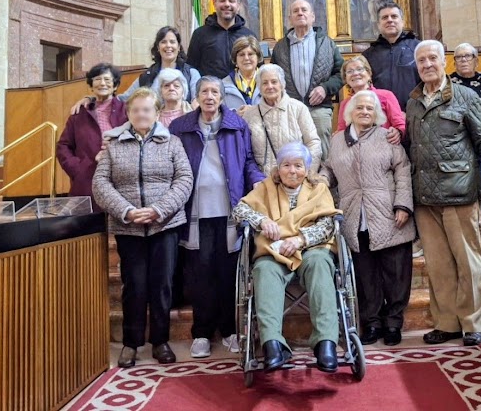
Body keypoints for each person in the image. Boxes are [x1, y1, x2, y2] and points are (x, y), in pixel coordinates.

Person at [406, 40, 481, 347]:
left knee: (469, 261)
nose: (427, 64)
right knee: (438, 266)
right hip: (424, 196)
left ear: (444, 61)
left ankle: (472, 322)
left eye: (432, 59)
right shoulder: (412, 101)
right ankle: (447, 323)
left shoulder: (465, 95)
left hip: (459, 190)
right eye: (421, 60)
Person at [92, 88, 194, 368]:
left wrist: (159, 210)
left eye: (147, 109)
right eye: (136, 110)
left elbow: (184, 179)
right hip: (129, 227)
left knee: (162, 285)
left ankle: (160, 341)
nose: (142, 114)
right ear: (128, 114)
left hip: (165, 224)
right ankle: (131, 343)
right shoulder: (114, 145)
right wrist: (127, 211)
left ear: (157, 113)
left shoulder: (172, 143)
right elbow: (100, 184)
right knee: (134, 285)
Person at [169, 76, 265, 359]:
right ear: (196, 97)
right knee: (201, 275)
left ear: (222, 98)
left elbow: (248, 161)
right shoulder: (180, 127)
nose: (209, 96)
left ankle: (229, 330)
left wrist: (257, 180)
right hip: (195, 212)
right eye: (204, 92)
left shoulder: (238, 125)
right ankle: (201, 333)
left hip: (229, 211)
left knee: (227, 274)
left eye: (215, 92)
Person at [232, 142, 340, 373]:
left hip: (311, 248)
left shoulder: (319, 190)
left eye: (298, 165)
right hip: (274, 250)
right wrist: (261, 220)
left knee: (320, 264)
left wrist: (301, 239)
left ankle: (325, 342)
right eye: (286, 165)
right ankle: (272, 344)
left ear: (307, 169)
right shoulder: (265, 187)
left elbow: (328, 223)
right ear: (278, 168)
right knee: (263, 270)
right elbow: (239, 210)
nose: (292, 170)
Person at [320, 90, 415, 347]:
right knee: (365, 276)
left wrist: (403, 204)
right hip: (354, 214)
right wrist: (320, 179)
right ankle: (371, 323)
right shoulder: (338, 140)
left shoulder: (388, 137)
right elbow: (329, 168)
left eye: (370, 109)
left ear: (377, 114)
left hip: (389, 212)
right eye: (360, 108)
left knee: (395, 273)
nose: (364, 112)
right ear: (350, 112)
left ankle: (393, 323)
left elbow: (403, 171)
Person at [271, 0, 344, 160]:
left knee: (322, 154)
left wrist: (325, 88)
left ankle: (322, 185)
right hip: (289, 110)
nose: (300, 13)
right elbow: (274, 78)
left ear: (312, 16)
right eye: (295, 11)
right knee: (291, 154)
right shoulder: (280, 46)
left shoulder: (327, 43)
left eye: (304, 10)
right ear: (290, 18)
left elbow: (341, 73)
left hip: (318, 109)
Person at [69, 27, 199, 115]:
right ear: (158, 47)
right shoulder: (146, 77)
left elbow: (197, 102)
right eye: (163, 42)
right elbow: (123, 99)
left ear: (178, 46)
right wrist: (91, 99)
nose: (168, 46)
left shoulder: (191, 73)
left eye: (172, 42)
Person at [56, 63, 127, 208]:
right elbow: (63, 146)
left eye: (107, 80)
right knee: (87, 226)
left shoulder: (127, 111)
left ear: (115, 86)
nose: (102, 83)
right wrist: (77, 168)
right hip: (87, 178)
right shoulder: (79, 113)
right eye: (97, 79)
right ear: (91, 86)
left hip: (121, 178)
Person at [242, 64, 321, 174]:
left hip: (295, 179)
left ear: (282, 85)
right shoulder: (250, 115)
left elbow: (313, 143)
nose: (270, 86)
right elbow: (245, 154)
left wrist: (307, 173)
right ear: (259, 87)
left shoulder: (298, 108)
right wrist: (255, 178)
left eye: (274, 82)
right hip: (263, 182)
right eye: (265, 83)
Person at [449, 43, 481, 191]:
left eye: (467, 56)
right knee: (466, 188)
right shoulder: (448, 84)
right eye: (459, 57)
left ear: (476, 60)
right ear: (454, 62)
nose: (463, 60)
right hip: (462, 145)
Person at [187, 0, 257, 79]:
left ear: (238, 5)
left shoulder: (249, 35)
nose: (227, 4)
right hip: (211, 91)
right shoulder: (200, 34)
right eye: (222, 0)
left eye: (231, 1)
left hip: (242, 91)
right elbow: (191, 68)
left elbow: (258, 68)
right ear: (215, 4)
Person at [363, 1, 421, 109]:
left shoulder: (419, 48)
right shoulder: (368, 55)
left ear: (402, 21)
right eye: (385, 17)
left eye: (394, 16)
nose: (390, 20)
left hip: (415, 113)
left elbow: (427, 82)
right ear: (378, 24)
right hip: (380, 116)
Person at [336, 55, 405, 143]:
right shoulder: (345, 103)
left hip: (384, 146)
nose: (355, 73)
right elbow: (341, 130)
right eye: (350, 71)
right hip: (355, 151)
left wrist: (398, 132)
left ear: (369, 74)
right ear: (345, 78)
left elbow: (400, 125)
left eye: (359, 69)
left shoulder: (386, 96)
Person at [222, 35, 263, 111]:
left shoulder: (269, 82)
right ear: (235, 59)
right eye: (241, 55)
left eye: (250, 54)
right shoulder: (223, 85)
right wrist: (235, 116)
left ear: (258, 57)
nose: (246, 58)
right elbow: (219, 114)